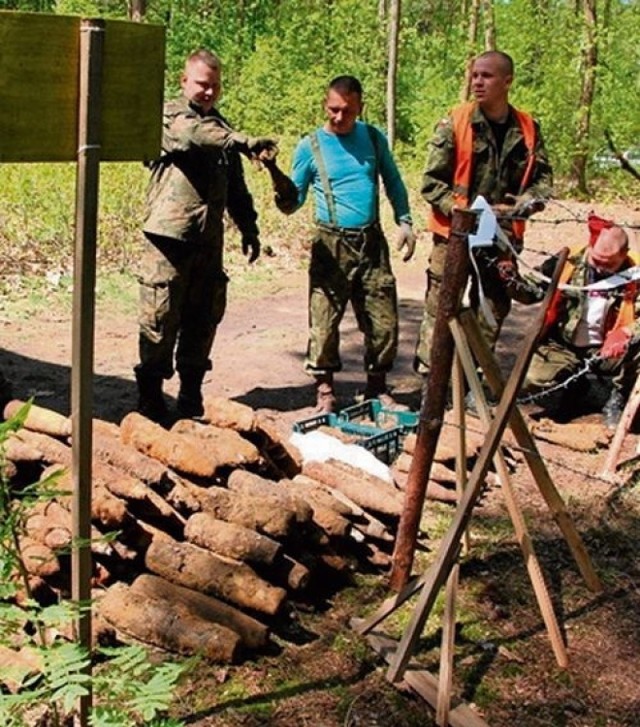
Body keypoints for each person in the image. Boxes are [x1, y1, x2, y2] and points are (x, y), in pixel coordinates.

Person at [135, 49, 278, 421]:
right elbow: (192, 136)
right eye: (201, 84)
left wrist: (249, 227)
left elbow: (236, 188)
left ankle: (190, 395)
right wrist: (244, 141)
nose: (208, 92)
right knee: (160, 318)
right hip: (168, 239)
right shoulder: (169, 116)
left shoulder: (225, 131)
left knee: (202, 319)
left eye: (214, 86)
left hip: (207, 242)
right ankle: (150, 397)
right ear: (185, 82)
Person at [262, 75, 416, 413]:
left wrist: (404, 220)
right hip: (331, 245)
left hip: (371, 242)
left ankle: (377, 388)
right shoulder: (310, 146)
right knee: (324, 320)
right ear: (324, 105)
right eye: (333, 109)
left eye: (346, 110)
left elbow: (393, 180)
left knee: (383, 319)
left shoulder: (373, 139)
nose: (338, 116)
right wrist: (275, 175)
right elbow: (291, 203)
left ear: (359, 106)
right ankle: (325, 392)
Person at [415, 50, 553, 376]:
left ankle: (472, 379)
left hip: (501, 238)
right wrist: (464, 212)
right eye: (475, 75)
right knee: (441, 307)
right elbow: (431, 184)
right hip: (454, 234)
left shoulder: (528, 128)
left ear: (507, 81)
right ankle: (431, 382)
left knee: (492, 307)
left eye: (486, 76)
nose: (477, 82)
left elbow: (544, 181)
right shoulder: (456, 121)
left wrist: (521, 205)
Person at [523, 224, 640, 430]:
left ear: (624, 255)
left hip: (609, 350)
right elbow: (532, 289)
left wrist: (627, 331)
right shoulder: (568, 262)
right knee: (531, 378)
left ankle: (618, 397)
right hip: (564, 344)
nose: (600, 269)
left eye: (609, 264)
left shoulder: (636, 274)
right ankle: (572, 387)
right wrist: (510, 281)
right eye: (596, 261)